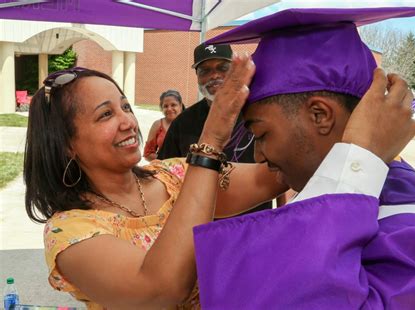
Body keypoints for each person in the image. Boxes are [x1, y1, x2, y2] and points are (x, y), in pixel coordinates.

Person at [191, 7, 415, 309]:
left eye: (261, 135)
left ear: (320, 114)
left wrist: (358, 158)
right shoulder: (333, 190)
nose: (259, 155)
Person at [24, 61, 288, 309]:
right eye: (106, 114)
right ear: (67, 144)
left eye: (125, 107)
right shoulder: (70, 231)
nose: (128, 122)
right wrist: (211, 141)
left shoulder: (175, 175)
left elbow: (276, 175)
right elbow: (160, 290)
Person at [158, 42, 273, 215]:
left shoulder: (260, 112)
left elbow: (279, 171)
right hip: (203, 221)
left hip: (254, 221)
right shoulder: (182, 123)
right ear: (197, 76)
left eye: (223, 67)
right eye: (205, 71)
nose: (215, 75)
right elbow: (164, 176)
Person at [143, 89, 184, 161]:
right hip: (163, 169)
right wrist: (167, 162)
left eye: (173, 105)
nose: (169, 109)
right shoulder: (157, 125)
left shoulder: (189, 123)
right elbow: (147, 154)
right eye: (165, 106)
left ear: (180, 106)